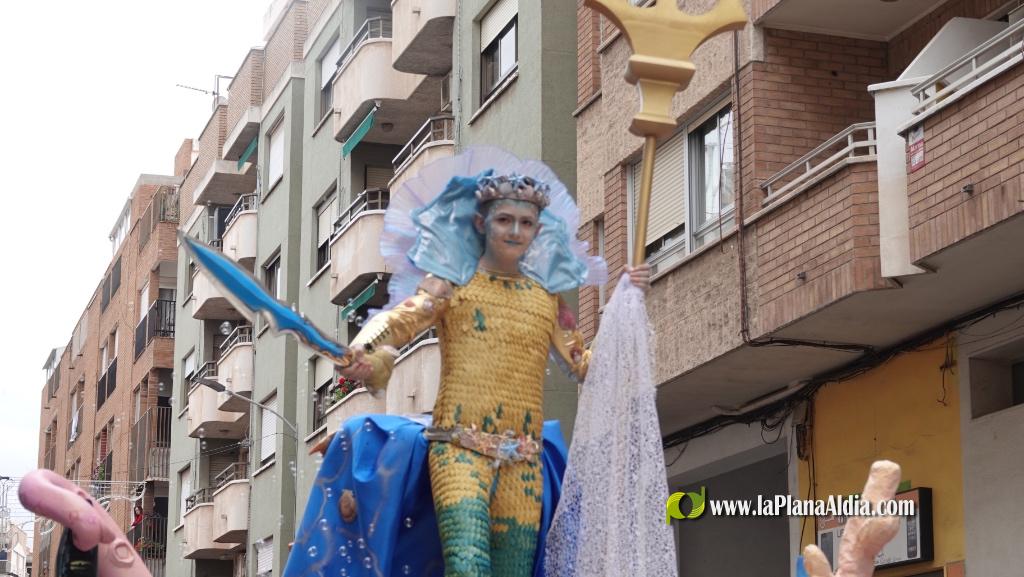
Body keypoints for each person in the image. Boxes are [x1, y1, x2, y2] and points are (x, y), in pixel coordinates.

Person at [333, 149, 648, 576]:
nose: (515, 231)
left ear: (537, 230)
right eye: (504, 220)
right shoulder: (452, 284)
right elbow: (403, 319)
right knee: (468, 566)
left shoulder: (547, 301)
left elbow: (586, 365)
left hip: (524, 461)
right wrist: (364, 350)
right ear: (482, 224)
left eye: (525, 223)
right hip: (458, 451)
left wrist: (625, 306)